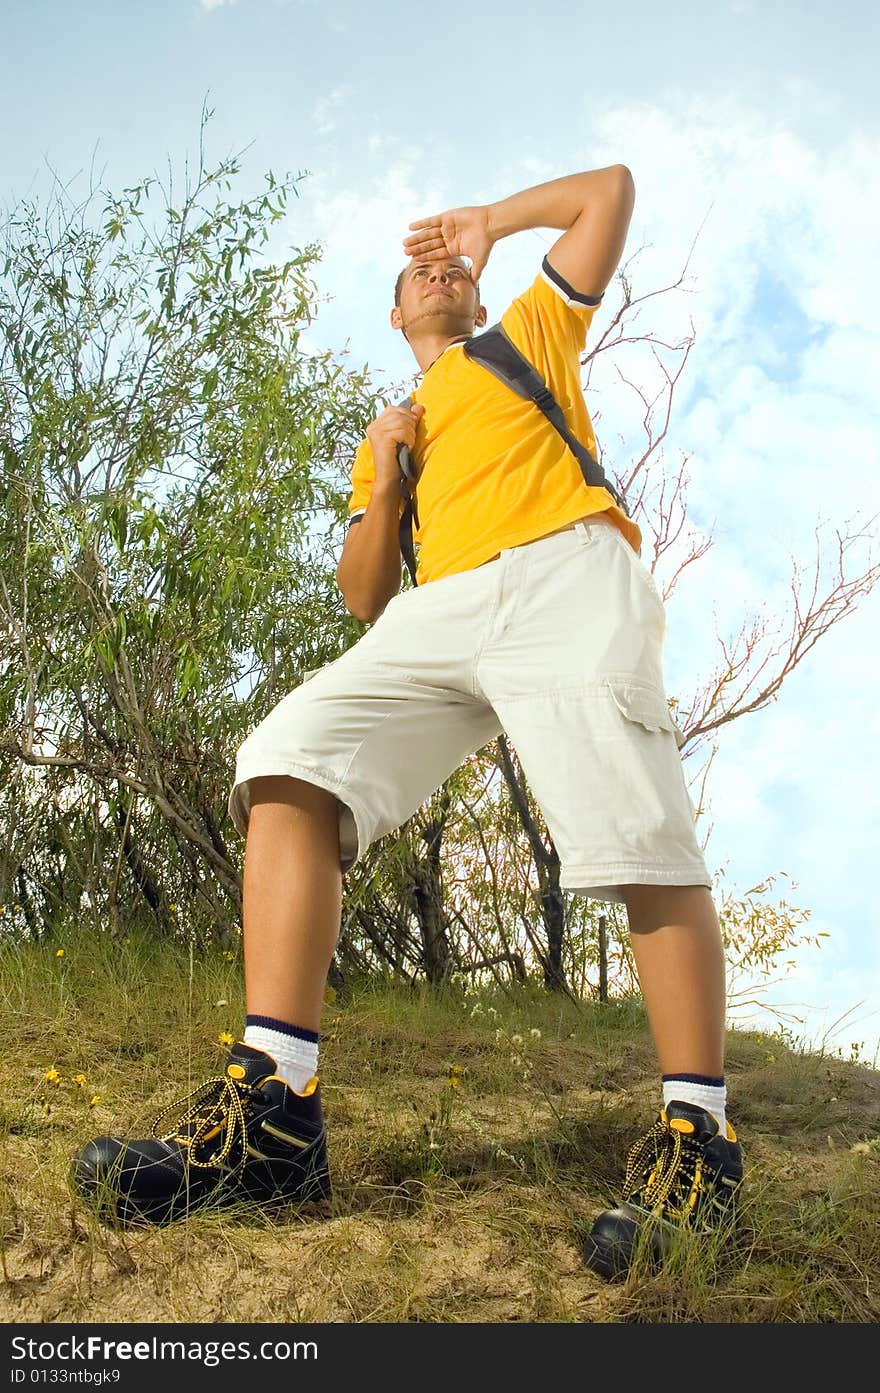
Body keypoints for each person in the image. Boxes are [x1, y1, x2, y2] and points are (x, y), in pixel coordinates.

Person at [72, 164, 743, 1279]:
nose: (436, 274)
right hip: (436, 611)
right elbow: (363, 594)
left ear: (474, 295)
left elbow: (610, 194)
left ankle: (701, 1147)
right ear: (394, 315)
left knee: (633, 833)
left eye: (451, 267)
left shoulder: (525, 333)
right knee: (287, 758)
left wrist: (490, 222)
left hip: (560, 569)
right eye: (417, 272)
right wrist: (384, 477)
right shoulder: (388, 433)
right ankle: (276, 1123)